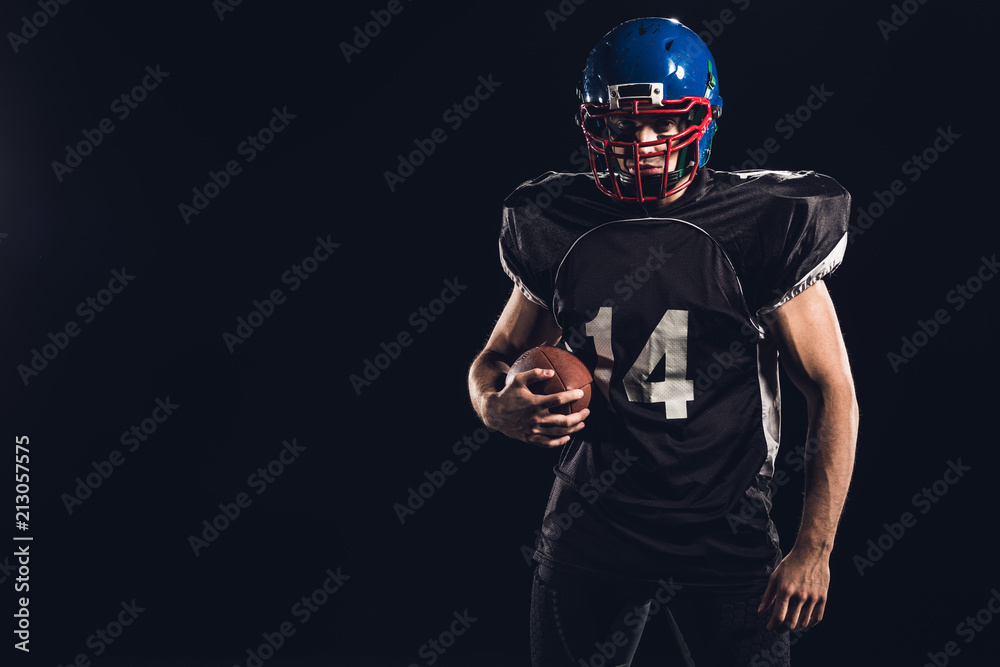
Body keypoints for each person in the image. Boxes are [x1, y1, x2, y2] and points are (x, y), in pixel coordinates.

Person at [467, 17, 858, 667]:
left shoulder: (760, 222)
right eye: (622, 126)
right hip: (591, 535)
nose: (643, 141)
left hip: (725, 539)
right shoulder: (555, 221)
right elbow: (494, 358)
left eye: (664, 121)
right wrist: (493, 403)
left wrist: (814, 546)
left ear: (702, 119)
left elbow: (832, 387)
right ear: (594, 125)